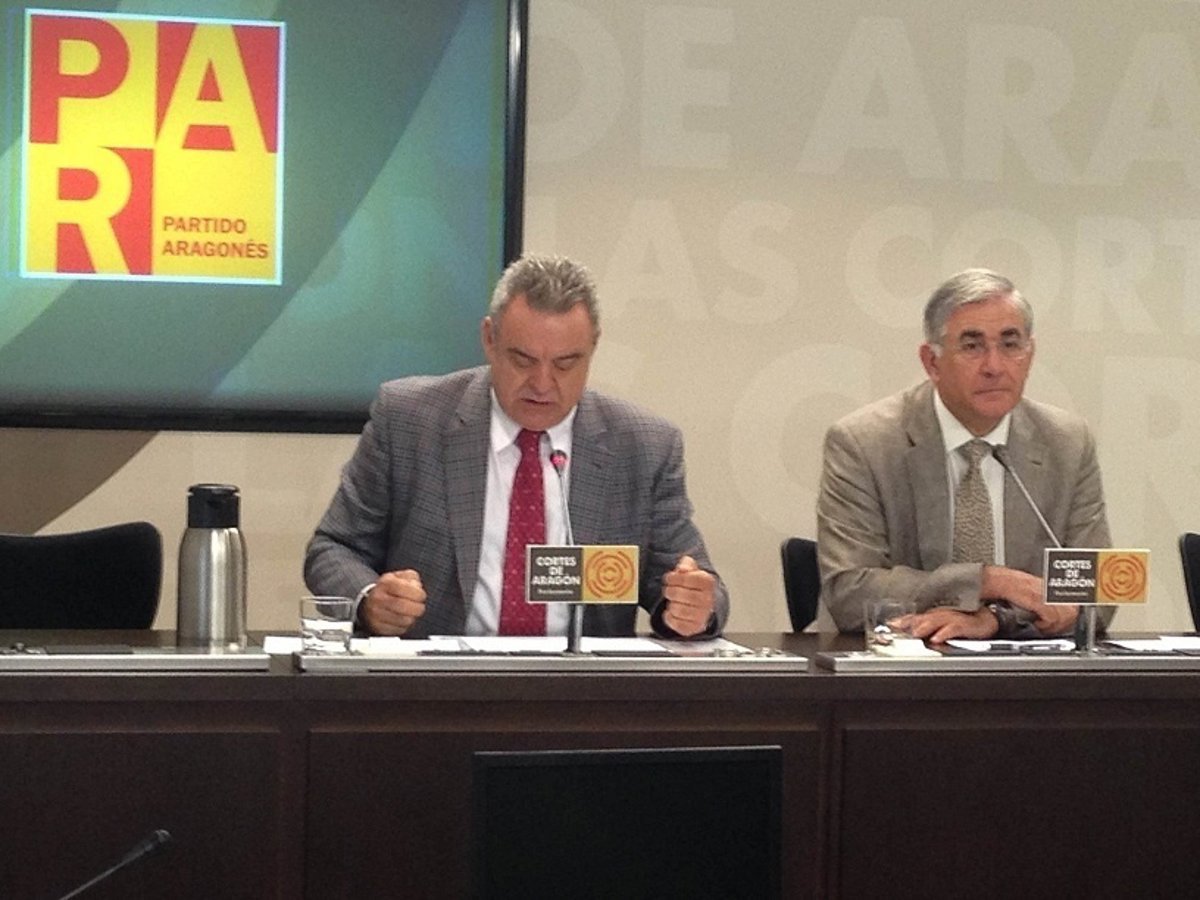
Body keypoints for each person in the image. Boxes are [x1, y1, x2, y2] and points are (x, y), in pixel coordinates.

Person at [305, 253, 728, 639]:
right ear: (489, 339)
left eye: (565, 363)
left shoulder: (643, 446)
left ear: (593, 347)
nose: (542, 384)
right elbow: (333, 548)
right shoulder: (410, 420)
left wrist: (693, 607)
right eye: (523, 360)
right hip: (435, 684)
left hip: (581, 688)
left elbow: (693, 581)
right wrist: (370, 600)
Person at [816, 268, 1111, 641]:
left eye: (1010, 345)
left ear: (1030, 354)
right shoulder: (864, 442)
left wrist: (996, 619)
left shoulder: (1067, 442)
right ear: (932, 362)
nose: (994, 367)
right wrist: (987, 581)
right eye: (972, 346)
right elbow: (850, 592)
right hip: (896, 664)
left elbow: (1096, 595)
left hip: (1026, 668)